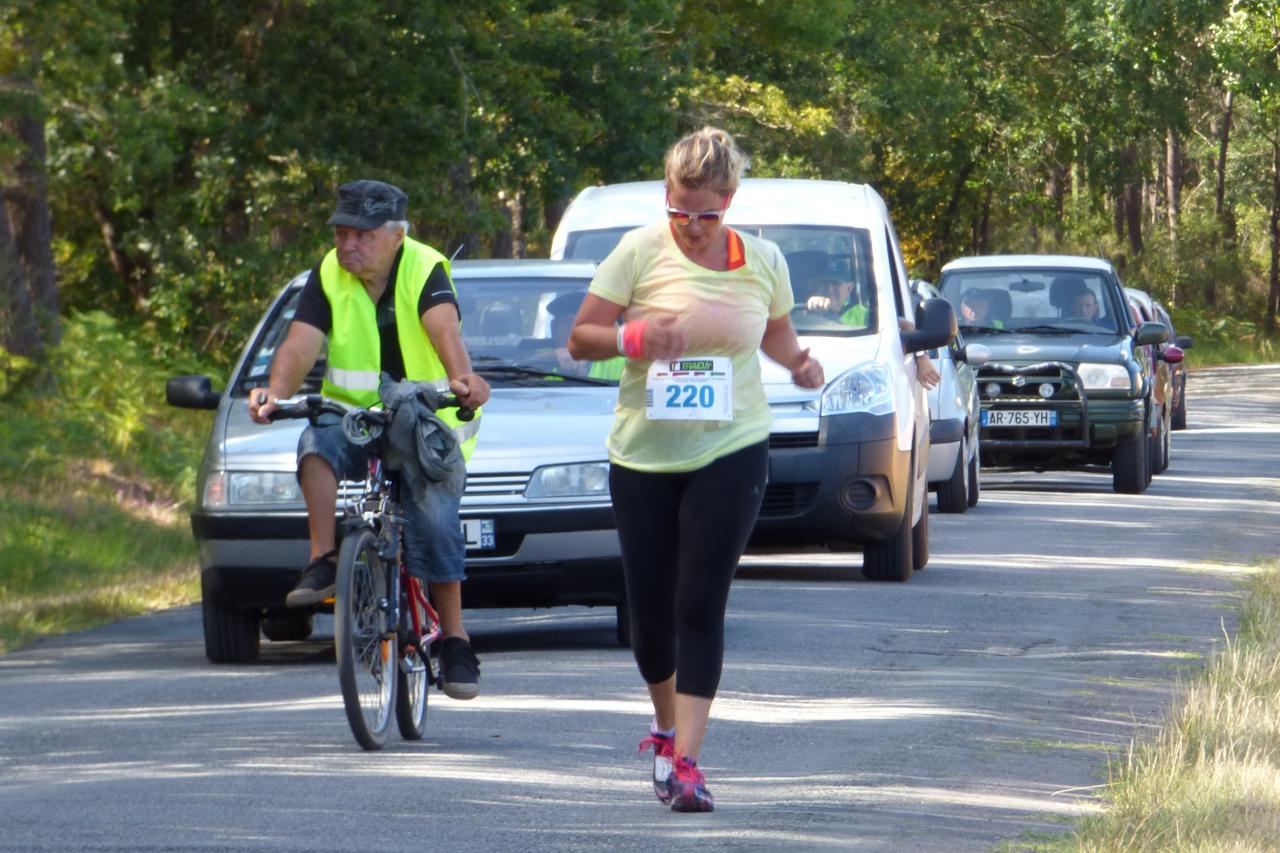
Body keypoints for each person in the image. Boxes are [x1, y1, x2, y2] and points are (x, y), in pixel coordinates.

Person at [566, 127, 825, 813]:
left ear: (730, 200)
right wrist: (636, 337)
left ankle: (687, 763)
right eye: (680, 211)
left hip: (733, 446)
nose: (692, 227)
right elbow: (580, 336)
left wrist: (797, 361)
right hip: (644, 452)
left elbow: (771, 329)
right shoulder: (638, 250)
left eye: (707, 214)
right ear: (666, 196)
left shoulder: (763, 260)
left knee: (699, 602)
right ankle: (663, 722)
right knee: (650, 617)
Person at [248, 179, 491, 700]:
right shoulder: (329, 273)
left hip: (424, 420)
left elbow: (444, 330)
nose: (347, 245)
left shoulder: (424, 267)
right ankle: (324, 559)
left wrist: (463, 381)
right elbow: (300, 342)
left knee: (435, 519)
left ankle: (454, 638)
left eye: (361, 235)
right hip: (354, 416)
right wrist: (275, 392)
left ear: (395, 235)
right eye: (341, 233)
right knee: (316, 444)